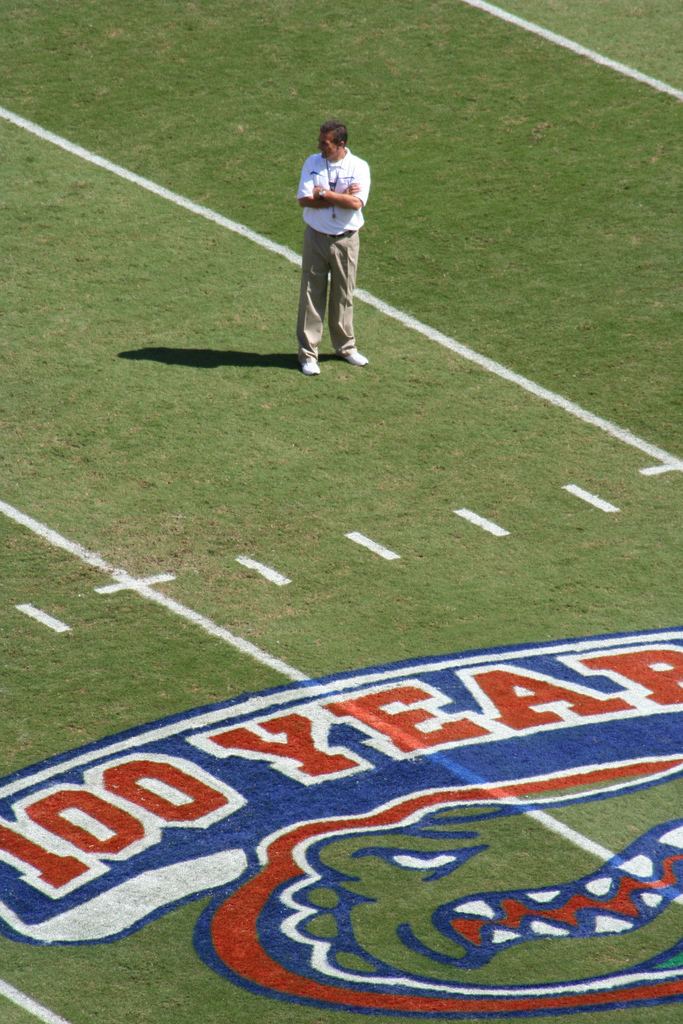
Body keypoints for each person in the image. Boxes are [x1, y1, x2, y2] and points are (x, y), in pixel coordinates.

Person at [296, 120, 371, 376]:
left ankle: (346, 347)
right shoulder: (312, 163)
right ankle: (308, 354)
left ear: (341, 144)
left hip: (346, 240)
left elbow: (356, 203)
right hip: (316, 236)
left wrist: (325, 195)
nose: (320, 146)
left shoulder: (359, 167)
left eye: (325, 143)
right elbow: (304, 199)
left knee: (344, 294)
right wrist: (340, 197)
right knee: (311, 293)